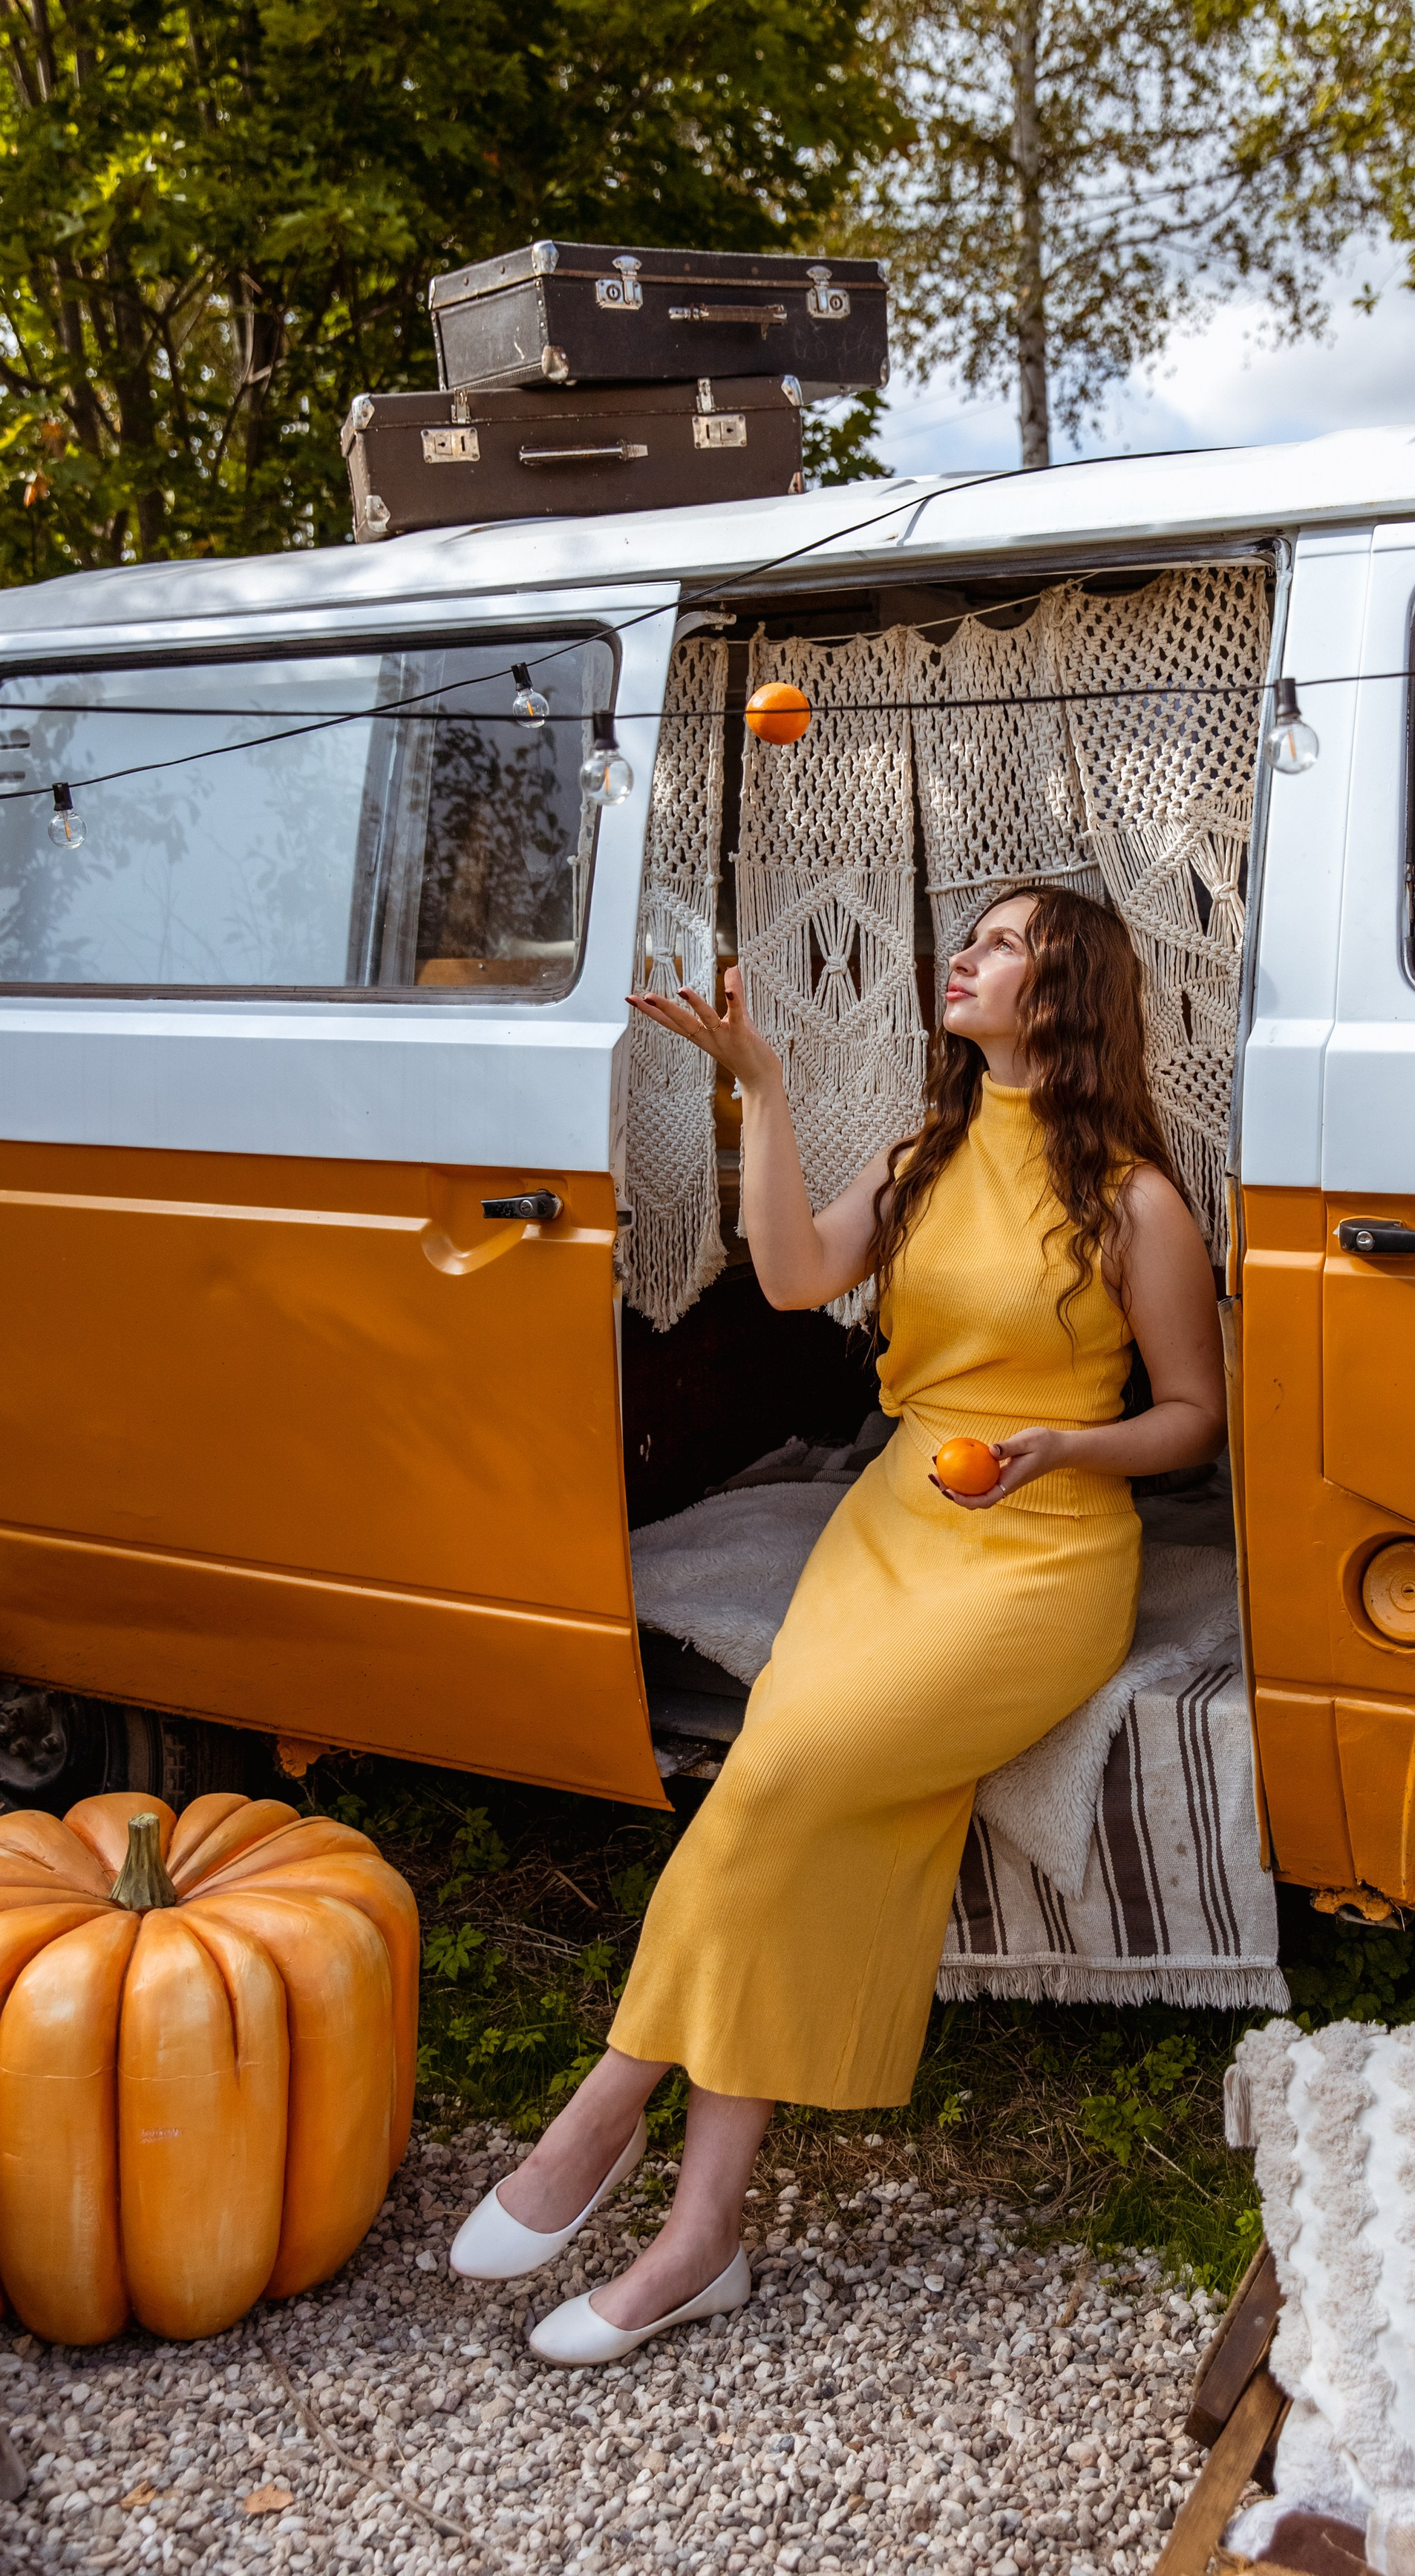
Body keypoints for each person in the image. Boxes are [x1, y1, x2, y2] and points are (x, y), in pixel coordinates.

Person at [449, 886, 1226, 2363]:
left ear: (1067, 992)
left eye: (1002, 943)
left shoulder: (1134, 1201)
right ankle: (699, 2239)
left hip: (1043, 1555)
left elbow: (1192, 1416)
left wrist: (1065, 1448)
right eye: (971, 937)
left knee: (783, 1781)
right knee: (777, 1796)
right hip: (895, 1524)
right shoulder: (920, 1157)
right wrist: (761, 1087)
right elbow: (797, 1276)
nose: (965, 955)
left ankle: (602, 2110)